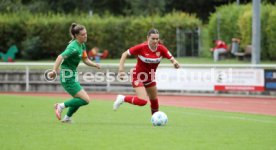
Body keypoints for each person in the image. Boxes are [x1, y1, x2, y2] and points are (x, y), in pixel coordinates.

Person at [113, 28, 180, 115]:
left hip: (150, 77)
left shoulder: (162, 49)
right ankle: (122, 98)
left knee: (154, 100)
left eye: (157, 39)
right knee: (142, 101)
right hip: (137, 76)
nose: (155, 41)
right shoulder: (141, 47)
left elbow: (172, 59)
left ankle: (155, 119)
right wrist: (121, 70)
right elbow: (124, 54)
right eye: (153, 38)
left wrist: (175, 63)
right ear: (148, 37)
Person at [48, 23, 100, 123]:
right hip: (67, 77)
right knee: (85, 100)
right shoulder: (73, 47)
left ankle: (67, 118)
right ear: (76, 35)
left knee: (79, 99)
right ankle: (60, 106)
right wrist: (54, 70)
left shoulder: (82, 45)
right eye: (83, 34)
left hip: (73, 76)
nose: (85, 36)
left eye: (86, 33)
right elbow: (60, 57)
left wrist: (94, 64)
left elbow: (85, 59)